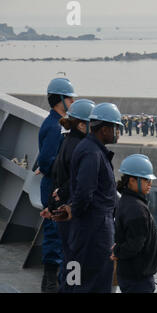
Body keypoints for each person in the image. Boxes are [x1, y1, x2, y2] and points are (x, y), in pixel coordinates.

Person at [53, 102, 123, 293]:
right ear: (105, 129)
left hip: (88, 226)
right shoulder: (92, 153)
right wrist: (75, 211)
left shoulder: (90, 148)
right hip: (95, 230)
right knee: (94, 280)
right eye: (116, 128)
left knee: (75, 276)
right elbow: (84, 192)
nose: (118, 133)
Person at [41, 99, 95, 292]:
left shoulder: (68, 142)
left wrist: (53, 203)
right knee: (75, 262)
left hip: (65, 211)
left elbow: (58, 178)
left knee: (69, 259)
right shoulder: (81, 148)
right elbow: (77, 184)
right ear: (82, 124)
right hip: (73, 216)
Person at [36, 77, 76, 293]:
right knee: (54, 234)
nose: (72, 100)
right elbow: (46, 160)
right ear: (60, 99)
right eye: (70, 97)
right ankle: (50, 283)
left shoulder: (55, 123)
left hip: (55, 186)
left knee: (59, 233)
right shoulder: (54, 126)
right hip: (54, 187)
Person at [111, 154, 157, 293]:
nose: (150, 183)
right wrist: (117, 251)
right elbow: (134, 245)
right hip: (138, 279)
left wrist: (118, 250)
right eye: (146, 179)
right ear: (132, 180)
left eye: (150, 179)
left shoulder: (126, 201)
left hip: (130, 275)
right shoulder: (137, 209)